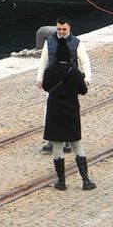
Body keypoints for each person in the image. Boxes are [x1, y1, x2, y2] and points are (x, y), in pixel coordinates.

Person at [41, 45, 95, 191]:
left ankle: (61, 181)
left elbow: (45, 87)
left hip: (54, 112)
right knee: (77, 145)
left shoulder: (49, 71)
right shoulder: (75, 72)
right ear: (69, 56)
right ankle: (85, 180)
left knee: (57, 146)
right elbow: (83, 91)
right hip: (71, 111)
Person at [37, 19, 93, 152]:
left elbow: (84, 61)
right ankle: (51, 139)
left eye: (64, 29)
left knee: (69, 111)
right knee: (50, 111)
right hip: (53, 80)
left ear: (69, 28)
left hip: (70, 80)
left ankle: (68, 140)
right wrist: (39, 78)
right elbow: (43, 61)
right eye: (59, 29)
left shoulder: (77, 43)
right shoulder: (49, 42)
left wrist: (87, 77)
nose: (61, 32)